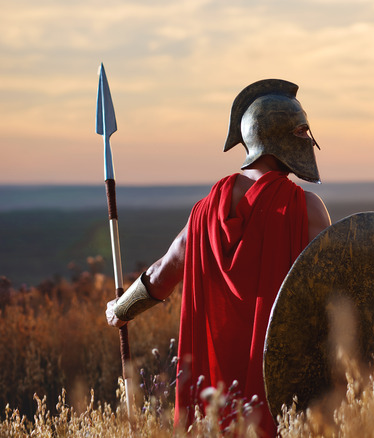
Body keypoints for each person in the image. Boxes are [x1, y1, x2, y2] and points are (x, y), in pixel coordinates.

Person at [105, 79, 331, 435]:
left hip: (211, 392)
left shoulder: (203, 213)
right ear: (277, 139)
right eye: (301, 132)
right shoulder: (304, 210)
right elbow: (331, 295)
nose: (307, 140)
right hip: (274, 393)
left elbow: (164, 270)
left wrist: (120, 310)